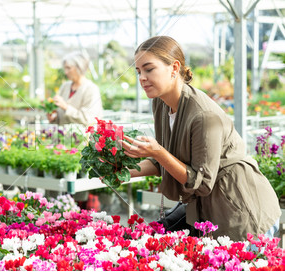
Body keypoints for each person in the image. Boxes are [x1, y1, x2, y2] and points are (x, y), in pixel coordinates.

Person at [121, 36, 281, 241]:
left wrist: (158, 152)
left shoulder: (203, 115)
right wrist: (122, 172)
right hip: (208, 209)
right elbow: (164, 159)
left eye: (149, 69)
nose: (142, 77)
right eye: (138, 71)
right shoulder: (161, 104)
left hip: (242, 211)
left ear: (174, 67)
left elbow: (201, 181)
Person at [48, 51, 103, 126]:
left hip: (82, 137)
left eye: (68, 68)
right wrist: (54, 117)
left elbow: (88, 120)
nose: (66, 72)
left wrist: (66, 107)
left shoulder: (91, 89)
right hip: (62, 135)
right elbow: (61, 117)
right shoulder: (65, 86)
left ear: (79, 67)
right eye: (65, 68)